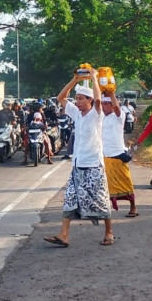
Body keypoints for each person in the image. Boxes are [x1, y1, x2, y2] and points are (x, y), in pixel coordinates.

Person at [45, 68, 114, 247]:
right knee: (70, 199)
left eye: (81, 99)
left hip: (94, 165)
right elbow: (61, 98)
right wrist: (74, 80)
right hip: (77, 165)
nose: (78, 102)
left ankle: (108, 232)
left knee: (101, 200)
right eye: (77, 99)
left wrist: (93, 78)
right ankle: (64, 235)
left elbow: (99, 99)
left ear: (89, 100)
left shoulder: (95, 114)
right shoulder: (77, 114)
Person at [101, 91, 138, 217]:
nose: (103, 106)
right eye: (102, 104)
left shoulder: (119, 116)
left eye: (106, 104)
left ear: (112, 105)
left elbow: (117, 107)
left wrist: (111, 94)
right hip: (104, 155)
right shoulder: (102, 117)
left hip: (118, 154)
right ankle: (104, 209)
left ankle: (133, 207)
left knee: (125, 182)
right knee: (105, 185)